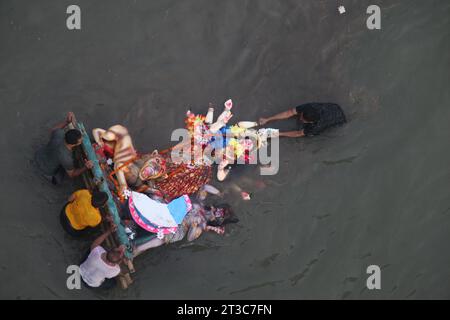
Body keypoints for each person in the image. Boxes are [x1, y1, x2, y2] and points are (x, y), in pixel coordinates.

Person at [133, 203, 238, 257]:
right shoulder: (201, 206)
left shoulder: (202, 224)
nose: (219, 212)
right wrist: (220, 193)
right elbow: (204, 188)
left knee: (164, 238)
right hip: (173, 214)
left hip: (180, 229)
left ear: (217, 220)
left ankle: (139, 249)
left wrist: (194, 225)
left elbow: (190, 238)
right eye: (221, 209)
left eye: (222, 214)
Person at [35, 112, 93, 184]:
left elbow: (53, 130)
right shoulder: (66, 158)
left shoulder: (59, 133)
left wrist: (67, 122)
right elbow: (72, 174)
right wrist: (85, 167)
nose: (81, 141)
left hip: (38, 155)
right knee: (59, 179)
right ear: (73, 144)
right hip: (46, 171)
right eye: (80, 141)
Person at [259, 102, 346, 138]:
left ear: (311, 122)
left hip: (339, 120)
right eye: (301, 116)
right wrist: (268, 119)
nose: (300, 118)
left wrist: (277, 133)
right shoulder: (309, 107)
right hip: (334, 107)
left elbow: (298, 133)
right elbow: (290, 112)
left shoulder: (316, 127)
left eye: (303, 119)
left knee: (309, 135)